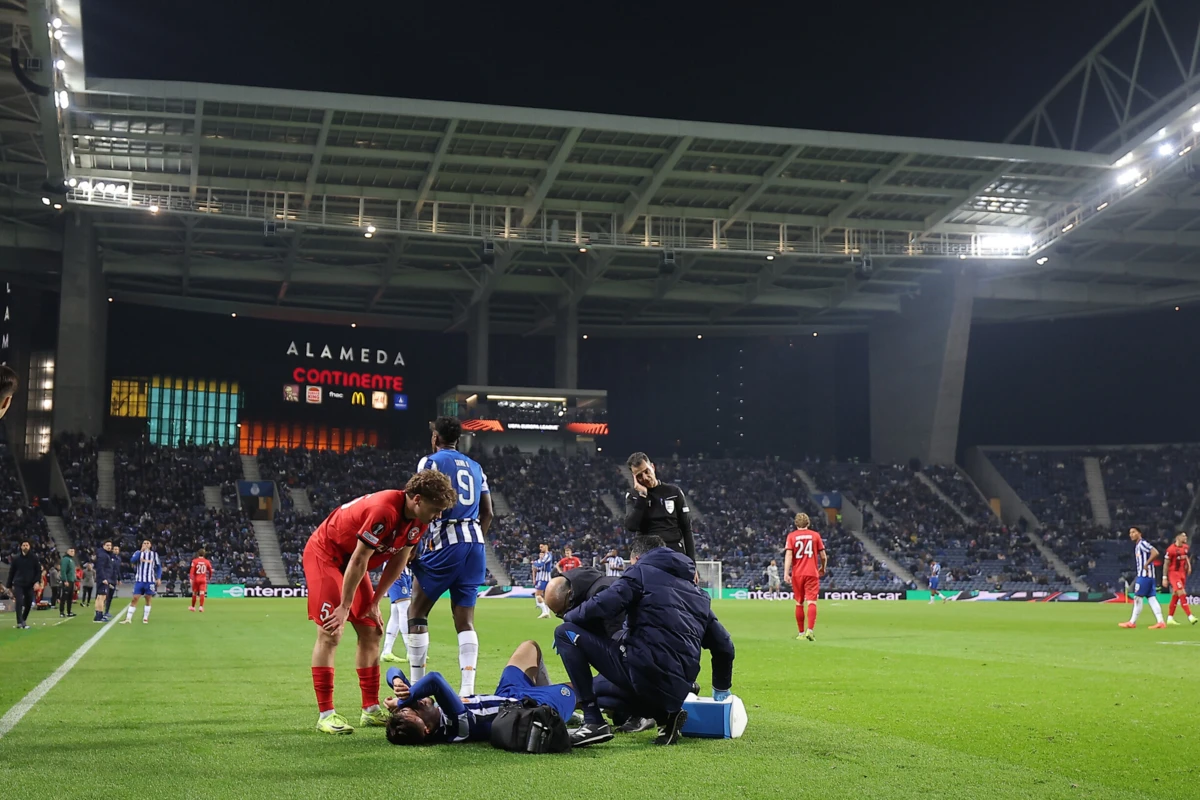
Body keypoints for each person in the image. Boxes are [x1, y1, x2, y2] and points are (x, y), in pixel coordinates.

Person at [303, 472, 456, 735]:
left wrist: (374, 601)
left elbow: (398, 560)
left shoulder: (418, 521)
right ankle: (326, 714)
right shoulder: (383, 510)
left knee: (372, 630)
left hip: (352, 561)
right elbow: (360, 560)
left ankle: (370, 709)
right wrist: (343, 606)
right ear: (417, 500)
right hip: (327, 554)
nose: (437, 516)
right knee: (331, 631)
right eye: (435, 509)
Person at [554, 535, 734, 748]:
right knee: (608, 690)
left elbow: (605, 603)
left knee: (565, 633)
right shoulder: (698, 594)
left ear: (637, 558)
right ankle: (665, 716)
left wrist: (569, 616)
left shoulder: (640, 571)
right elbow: (724, 646)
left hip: (644, 673)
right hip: (678, 690)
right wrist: (721, 690)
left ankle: (594, 722)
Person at [407, 417, 494, 697]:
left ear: (435, 438)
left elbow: (418, 502)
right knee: (465, 620)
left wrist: (414, 546)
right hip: (476, 544)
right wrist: (473, 538)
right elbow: (488, 513)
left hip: (447, 539)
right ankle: (467, 692)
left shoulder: (430, 462)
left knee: (416, 612)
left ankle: (416, 689)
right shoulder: (477, 467)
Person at [382, 640, 575, 746]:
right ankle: (560, 708)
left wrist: (398, 683)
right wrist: (400, 703)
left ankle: (556, 699)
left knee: (529, 647)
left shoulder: (429, 713)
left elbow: (392, 671)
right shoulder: (455, 726)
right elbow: (434, 680)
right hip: (528, 709)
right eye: (415, 710)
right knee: (580, 688)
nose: (418, 702)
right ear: (427, 729)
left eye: (411, 705)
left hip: (507, 694)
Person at [624, 452, 696, 561]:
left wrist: (692, 563)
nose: (645, 477)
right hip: (647, 554)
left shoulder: (674, 492)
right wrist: (642, 496)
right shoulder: (633, 496)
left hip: (673, 552)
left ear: (653, 467)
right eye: (639, 476)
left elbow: (686, 528)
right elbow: (631, 526)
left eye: (646, 471)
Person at [784, 513, 826, 641]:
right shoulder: (815, 536)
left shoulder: (791, 536)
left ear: (796, 524)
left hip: (797, 574)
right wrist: (823, 568)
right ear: (808, 523)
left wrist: (786, 572)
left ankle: (801, 633)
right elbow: (823, 556)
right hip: (812, 573)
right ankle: (810, 630)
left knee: (799, 603)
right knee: (812, 602)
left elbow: (789, 555)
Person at [1119, 526, 1166, 629]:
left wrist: (1147, 563)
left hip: (1144, 576)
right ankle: (1161, 622)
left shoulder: (1142, 544)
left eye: (1134, 532)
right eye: (1130, 533)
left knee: (1137, 597)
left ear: (1139, 533)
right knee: (1152, 598)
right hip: (1149, 576)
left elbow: (1155, 552)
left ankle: (1132, 622)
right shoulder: (1138, 545)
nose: (1131, 534)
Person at [121, 539, 161, 625]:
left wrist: (159, 578)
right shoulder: (138, 553)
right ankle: (128, 618)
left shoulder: (154, 554)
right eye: (144, 543)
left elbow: (158, 567)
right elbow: (132, 560)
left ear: (150, 545)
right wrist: (141, 551)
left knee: (148, 599)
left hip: (150, 580)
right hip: (140, 580)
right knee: (135, 598)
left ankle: (145, 618)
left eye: (147, 543)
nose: (146, 544)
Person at [2, 541, 40, 629]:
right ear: (21, 547)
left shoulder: (34, 558)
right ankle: (19, 622)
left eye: (27, 545)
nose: (25, 547)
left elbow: (38, 571)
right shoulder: (16, 558)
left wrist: (37, 582)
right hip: (18, 583)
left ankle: (23, 619)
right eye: (24, 545)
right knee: (19, 601)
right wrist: (9, 585)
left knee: (29, 603)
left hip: (30, 584)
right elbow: (12, 572)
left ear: (29, 547)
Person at [381, 567, 413, 663]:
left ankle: (386, 651)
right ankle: (411, 651)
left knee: (396, 613)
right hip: (397, 569)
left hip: (406, 570)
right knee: (405, 610)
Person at [1163, 531, 1195, 626]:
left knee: (1176, 595)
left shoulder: (1186, 547)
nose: (1185, 537)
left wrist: (1189, 566)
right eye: (1183, 536)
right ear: (1177, 537)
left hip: (1182, 574)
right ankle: (1190, 616)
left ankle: (1170, 618)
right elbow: (1166, 564)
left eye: (1186, 535)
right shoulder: (1171, 549)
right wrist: (1164, 577)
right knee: (1182, 593)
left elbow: (1186, 557)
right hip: (1173, 574)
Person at [532, 544, 554, 619]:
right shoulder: (545, 556)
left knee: (538, 594)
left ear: (546, 546)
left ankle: (544, 612)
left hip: (544, 578)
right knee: (545, 596)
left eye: (542, 547)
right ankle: (547, 613)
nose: (540, 548)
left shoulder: (548, 555)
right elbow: (537, 568)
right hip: (543, 578)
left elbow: (541, 563)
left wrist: (533, 562)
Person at [189, 548, 213, 613]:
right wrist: (210, 577)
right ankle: (201, 607)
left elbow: (192, 570)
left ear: (198, 554)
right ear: (204, 554)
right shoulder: (207, 561)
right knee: (202, 593)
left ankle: (193, 607)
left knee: (194, 593)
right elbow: (210, 571)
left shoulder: (194, 561)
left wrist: (191, 578)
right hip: (203, 579)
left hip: (196, 579)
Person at [59, 548, 77, 618]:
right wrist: (65, 580)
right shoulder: (65, 559)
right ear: (67, 552)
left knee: (70, 597)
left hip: (71, 581)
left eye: (73, 551)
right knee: (64, 597)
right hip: (67, 581)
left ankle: (69, 611)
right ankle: (61, 612)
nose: (72, 552)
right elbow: (63, 570)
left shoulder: (71, 560)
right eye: (71, 551)